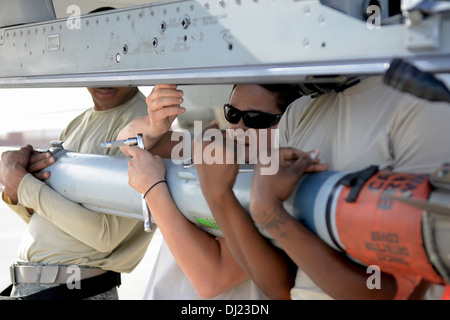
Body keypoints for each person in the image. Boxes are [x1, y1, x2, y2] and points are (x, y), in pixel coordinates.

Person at [245, 76, 450, 300]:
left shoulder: (419, 104)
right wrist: (221, 195)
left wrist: (269, 211)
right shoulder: (298, 112)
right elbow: (279, 284)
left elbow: (394, 291)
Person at [121, 83, 303, 299]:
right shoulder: (218, 146)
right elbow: (128, 142)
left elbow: (213, 280)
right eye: (233, 114)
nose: (238, 128)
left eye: (256, 118)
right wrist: (154, 126)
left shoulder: (279, 184)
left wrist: (153, 190)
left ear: (291, 123)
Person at [0, 86, 153, 300]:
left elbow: (106, 235)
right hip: (42, 289)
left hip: (76, 290)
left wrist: (23, 184)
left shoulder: (143, 125)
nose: (106, 83)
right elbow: (52, 221)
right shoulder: (79, 122)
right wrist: (14, 191)